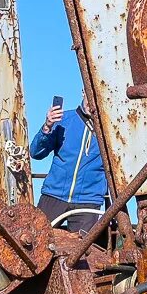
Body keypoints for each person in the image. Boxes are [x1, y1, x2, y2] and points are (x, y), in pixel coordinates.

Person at [30, 96, 109, 233]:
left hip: (88, 200)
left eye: (97, 98)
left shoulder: (109, 129)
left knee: (81, 251)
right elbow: (36, 153)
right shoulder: (63, 120)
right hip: (54, 194)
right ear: (84, 92)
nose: (93, 103)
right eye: (91, 97)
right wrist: (47, 127)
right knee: (37, 241)